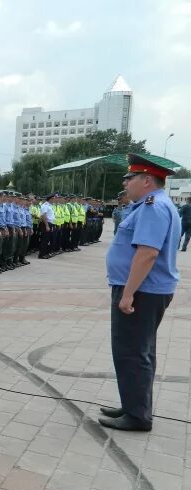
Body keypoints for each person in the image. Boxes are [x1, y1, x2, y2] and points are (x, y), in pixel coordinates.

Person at [101, 154, 180, 432]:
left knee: (132, 352)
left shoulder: (152, 207)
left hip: (141, 291)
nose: (126, 183)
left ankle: (137, 416)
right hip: (145, 290)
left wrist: (128, 294)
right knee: (139, 351)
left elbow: (147, 254)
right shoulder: (152, 204)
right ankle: (133, 405)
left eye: (130, 177)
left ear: (146, 180)